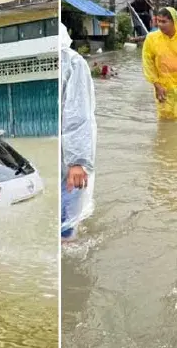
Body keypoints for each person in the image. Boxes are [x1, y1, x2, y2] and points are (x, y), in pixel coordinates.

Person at [60, 23, 97, 242]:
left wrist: (77, 161)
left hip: (69, 158)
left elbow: (78, 114)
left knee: (67, 227)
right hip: (58, 156)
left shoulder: (72, 63)